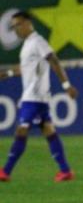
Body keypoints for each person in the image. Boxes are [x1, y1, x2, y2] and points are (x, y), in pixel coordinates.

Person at [0, 11, 77, 182]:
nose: (16, 30)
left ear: (27, 23)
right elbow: (26, 69)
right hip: (37, 97)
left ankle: (5, 171)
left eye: (18, 25)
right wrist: (7, 73)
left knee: (22, 129)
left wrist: (66, 85)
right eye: (13, 27)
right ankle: (65, 170)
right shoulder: (28, 44)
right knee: (48, 131)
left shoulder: (37, 41)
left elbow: (53, 60)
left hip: (33, 97)